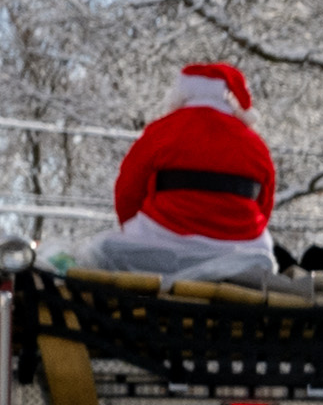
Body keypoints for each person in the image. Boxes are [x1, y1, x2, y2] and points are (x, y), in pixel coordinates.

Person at [88, 64, 280, 286]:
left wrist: (133, 229)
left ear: (182, 93)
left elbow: (128, 190)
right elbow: (265, 203)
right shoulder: (255, 144)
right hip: (241, 250)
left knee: (102, 251)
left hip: (162, 240)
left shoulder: (162, 130)